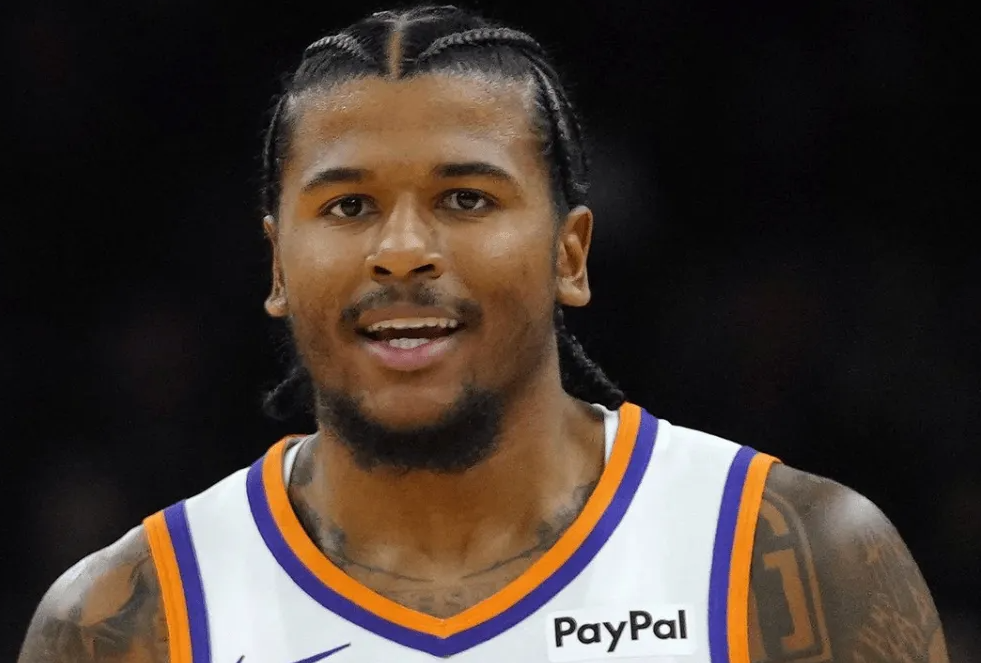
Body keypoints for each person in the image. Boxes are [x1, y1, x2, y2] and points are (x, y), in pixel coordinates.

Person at [17, 5, 948, 663]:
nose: (402, 250)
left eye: (465, 198)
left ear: (569, 254)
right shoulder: (127, 618)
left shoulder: (794, 555)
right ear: (276, 266)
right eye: (348, 205)